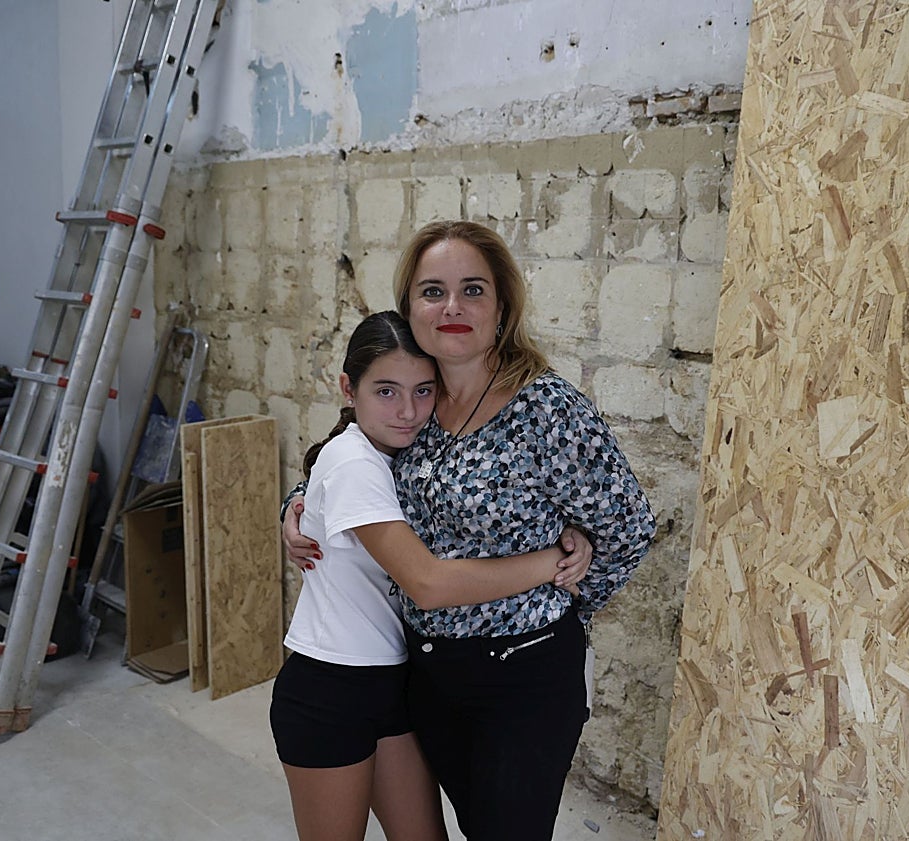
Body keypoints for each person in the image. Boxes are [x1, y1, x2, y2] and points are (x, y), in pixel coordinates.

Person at [282, 221, 657, 841]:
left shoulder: (547, 409)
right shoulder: (416, 404)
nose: (452, 306)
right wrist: (296, 505)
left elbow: (630, 527)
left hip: (523, 673)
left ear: (502, 307)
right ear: (410, 308)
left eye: (473, 290)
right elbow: (350, 461)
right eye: (433, 291)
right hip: (426, 675)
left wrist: (566, 598)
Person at [270, 310, 592, 841]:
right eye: (386, 392)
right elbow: (427, 584)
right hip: (331, 687)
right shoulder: (353, 461)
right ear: (349, 389)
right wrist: (552, 560)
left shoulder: (401, 453)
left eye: (423, 391)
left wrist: (297, 501)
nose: (407, 411)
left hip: (394, 681)